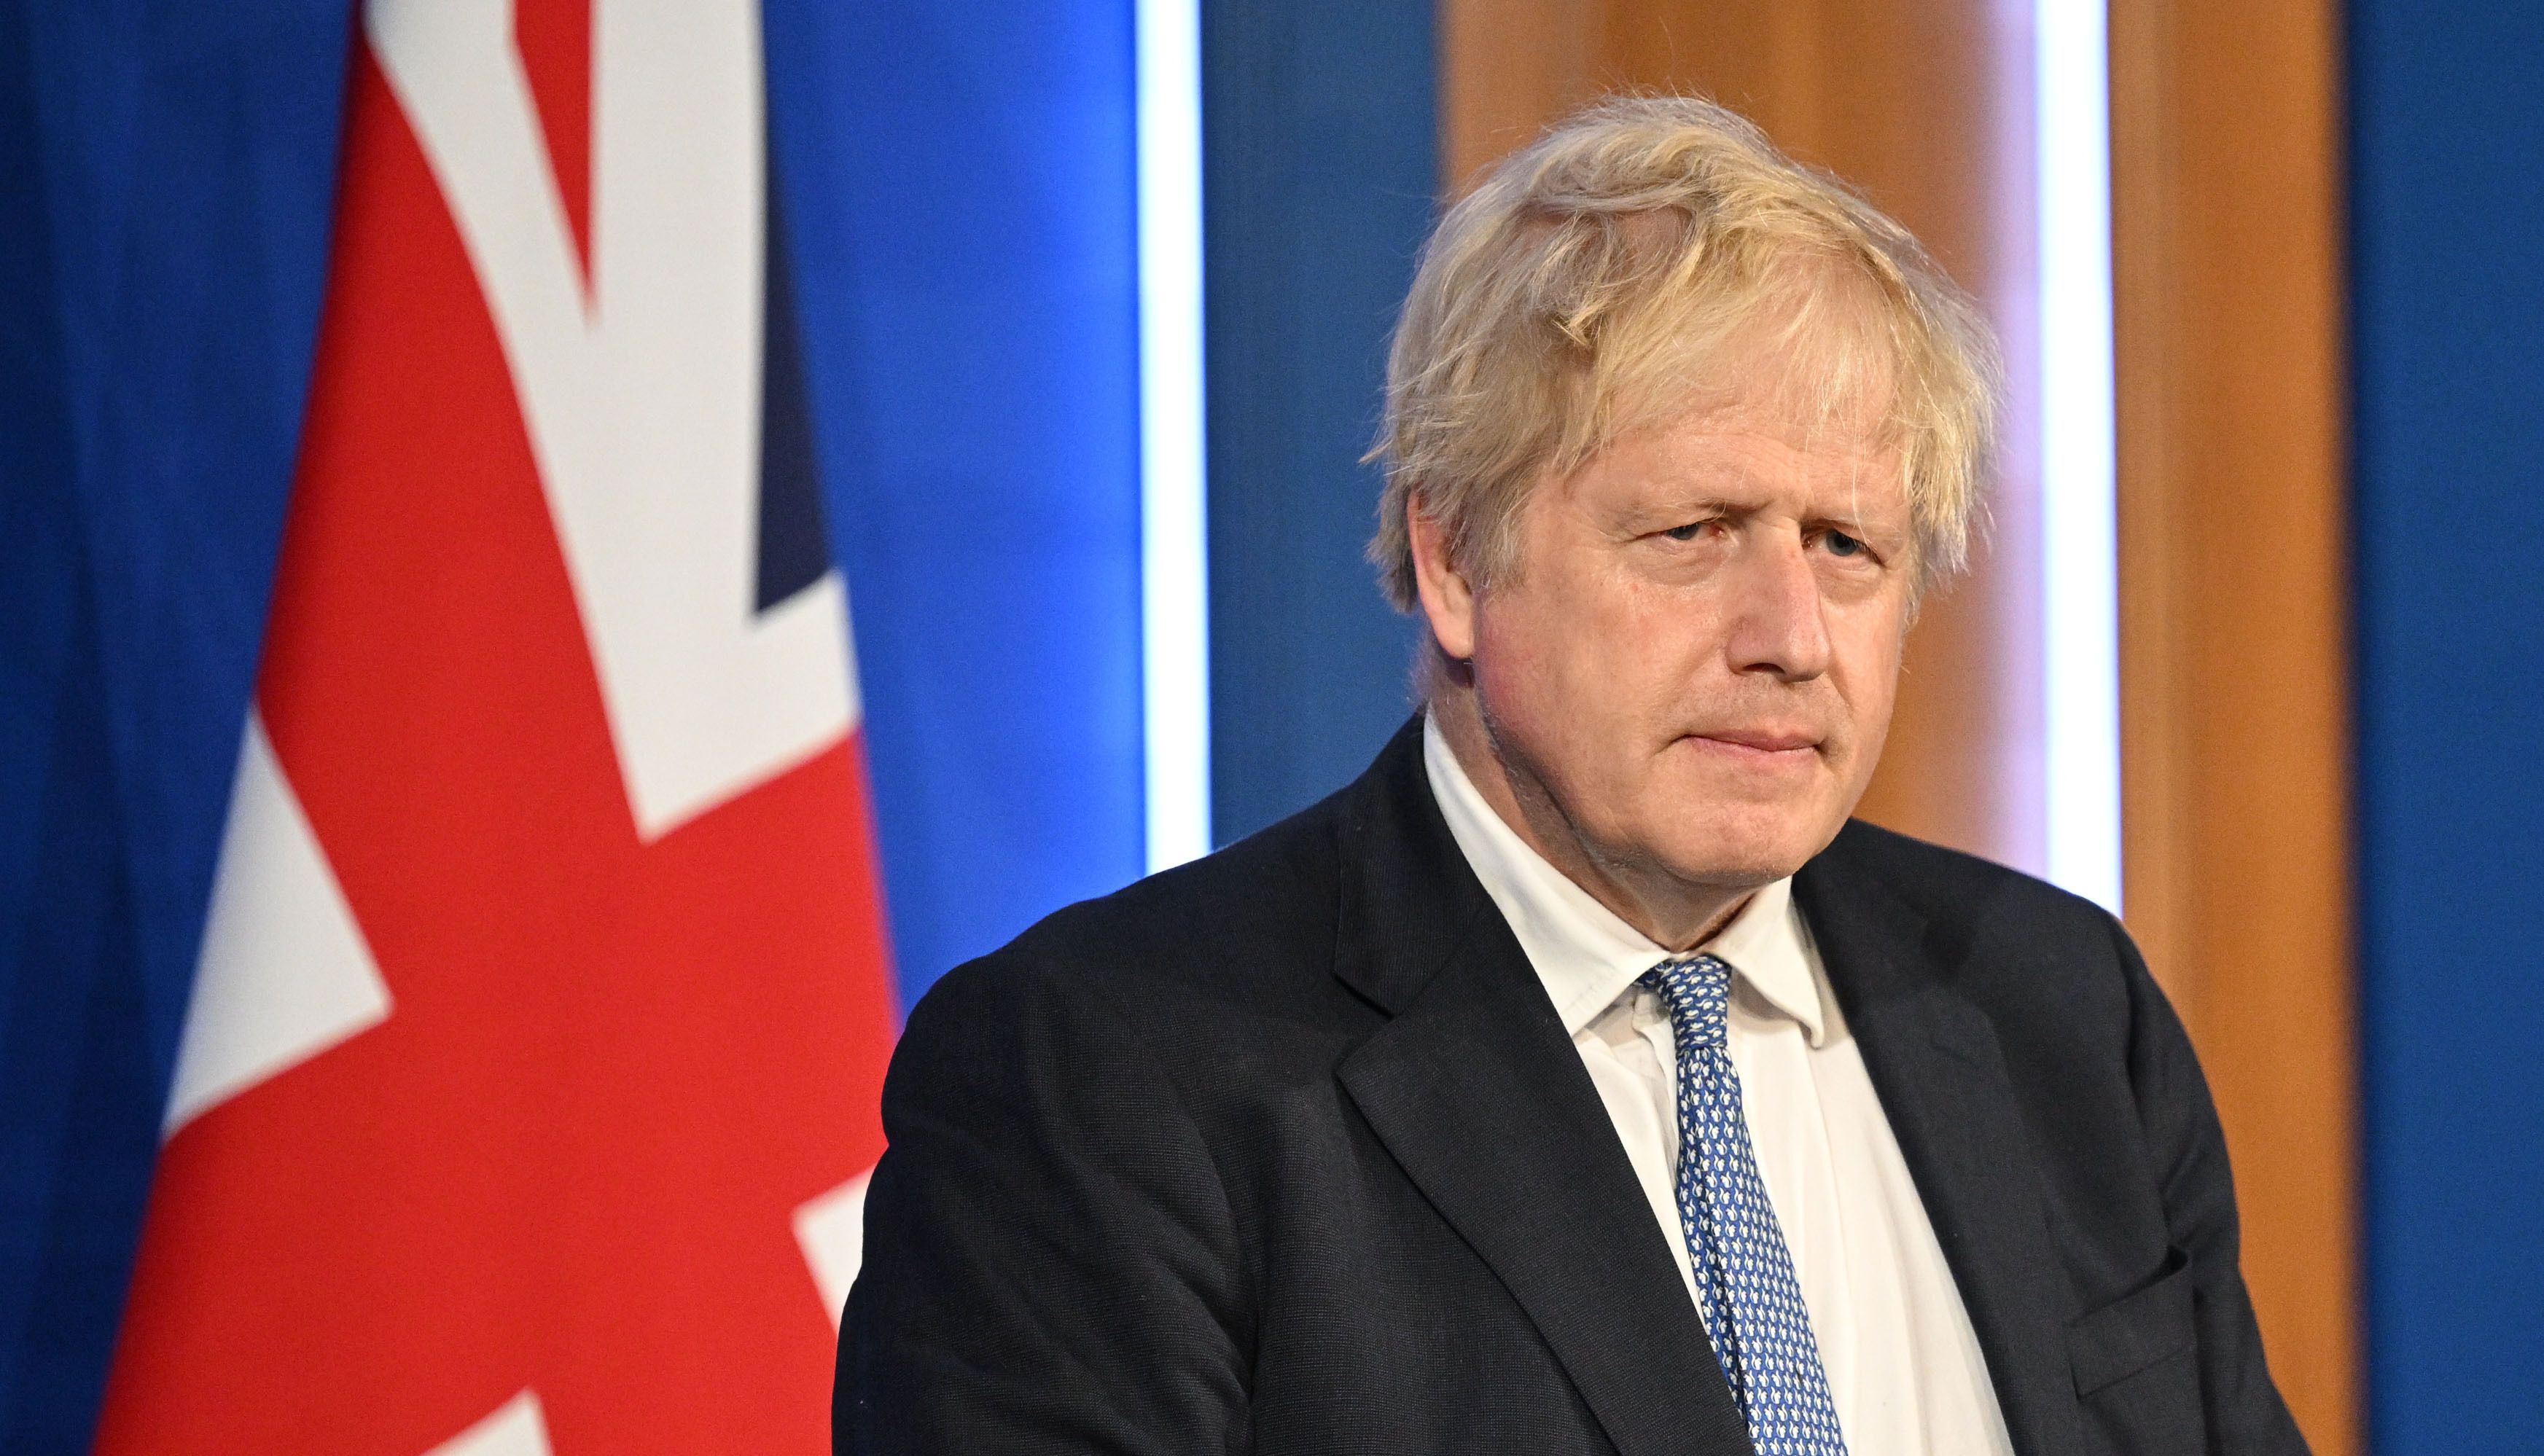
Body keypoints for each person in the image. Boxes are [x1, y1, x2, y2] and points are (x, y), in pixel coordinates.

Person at [835, 95, 2307, 1456]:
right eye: (1691, 534)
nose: (1789, 639)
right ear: (1454, 558)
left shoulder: (2057, 1011)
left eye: (1845, 547)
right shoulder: (1105, 1080)